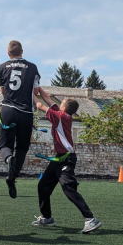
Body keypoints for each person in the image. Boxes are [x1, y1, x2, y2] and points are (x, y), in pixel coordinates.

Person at [32, 87, 102, 234]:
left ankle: (90, 219)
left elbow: (39, 105)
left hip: (66, 159)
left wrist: (28, 92)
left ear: (63, 108)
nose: (59, 104)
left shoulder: (60, 117)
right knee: (43, 185)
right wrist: (38, 87)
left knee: (68, 188)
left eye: (62, 102)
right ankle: (47, 217)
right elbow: (48, 98)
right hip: (58, 159)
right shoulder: (61, 114)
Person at [0, 40, 41, 198]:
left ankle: (9, 159)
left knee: (4, 145)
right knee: (22, 147)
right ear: (22, 51)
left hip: (8, 110)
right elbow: (35, 91)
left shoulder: (2, 67)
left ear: (9, 53)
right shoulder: (32, 67)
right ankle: (13, 176)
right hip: (26, 112)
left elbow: (3, 90)